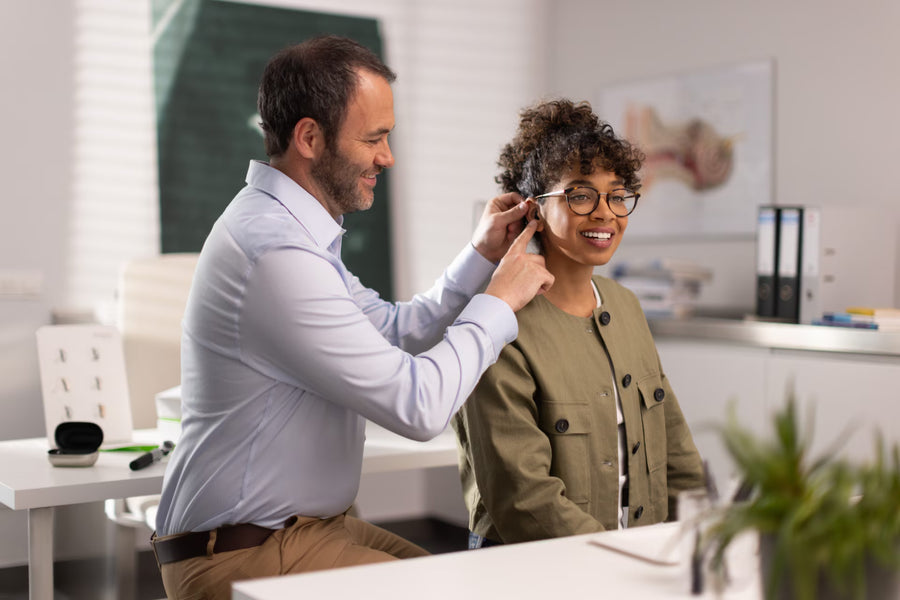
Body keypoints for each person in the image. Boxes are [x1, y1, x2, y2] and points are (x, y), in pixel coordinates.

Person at [151, 35, 553, 598]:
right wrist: (498, 301)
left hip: (305, 531)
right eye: (374, 139)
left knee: (468, 581)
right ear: (309, 137)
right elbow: (418, 407)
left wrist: (481, 257)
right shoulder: (275, 253)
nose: (387, 157)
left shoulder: (293, 232)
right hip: (243, 555)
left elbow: (395, 331)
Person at [453, 99, 705, 548]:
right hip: (539, 567)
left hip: (640, 561)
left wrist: (703, 540)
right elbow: (523, 500)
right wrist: (620, 564)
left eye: (617, 194)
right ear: (534, 209)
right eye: (581, 194)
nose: (605, 212)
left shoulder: (625, 306)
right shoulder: (496, 321)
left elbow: (675, 448)